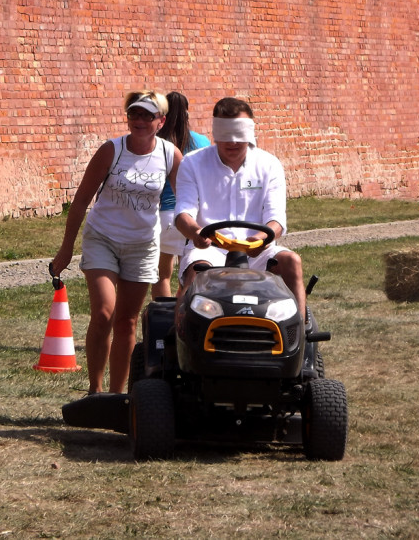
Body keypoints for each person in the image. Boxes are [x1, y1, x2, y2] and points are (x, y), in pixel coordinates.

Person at [51, 91, 182, 394]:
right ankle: (95, 392)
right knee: (104, 313)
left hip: (142, 245)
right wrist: (67, 247)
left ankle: (116, 396)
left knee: (127, 322)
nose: (138, 120)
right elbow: (82, 199)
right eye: (134, 114)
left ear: (160, 122)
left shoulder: (169, 155)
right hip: (103, 238)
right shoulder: (112, 150)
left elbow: (188, 200)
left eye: (147, 116)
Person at [174, 96, 306, 317]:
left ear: (250, 133)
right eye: (226, 135)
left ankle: (300, 333)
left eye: (239, 135)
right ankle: (180, 337)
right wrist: (196, 233)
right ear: (216, 133)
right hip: (210, 248)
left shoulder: (269, 164)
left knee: (291, 261)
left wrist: (265, 237)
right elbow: (183, 213)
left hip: (258, 251)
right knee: (198, 272)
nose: (232, 143)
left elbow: (277, 219)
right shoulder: (192, 163)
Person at [151, 92, 210, 299]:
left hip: (163, 216)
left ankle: (165, 318)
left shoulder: (157, 143)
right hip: (192, 217)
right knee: (189, 274)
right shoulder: (202, 142)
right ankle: (183, 315)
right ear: (187, 112)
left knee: (162, 276)